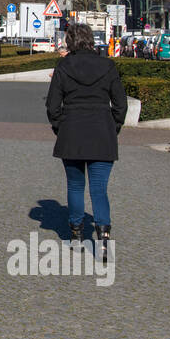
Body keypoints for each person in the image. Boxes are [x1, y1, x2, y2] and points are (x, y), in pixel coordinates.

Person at [46, 22, 127, 252]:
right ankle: (103, 233)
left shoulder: (63, 66)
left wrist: (60, 126)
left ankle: (76, 233)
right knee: (99, 187)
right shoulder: (107, 65)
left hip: (72, 131)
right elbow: (120, 103)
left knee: (75, 185)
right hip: (102, 131)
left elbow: (52, 105)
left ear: (70, 42)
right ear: (91, 40)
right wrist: (114, 125)